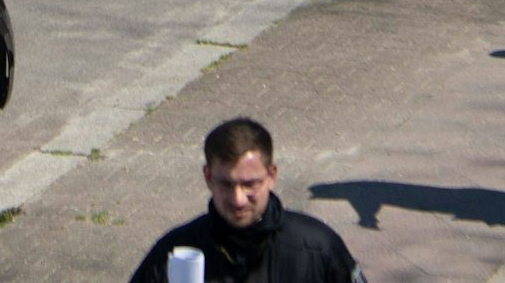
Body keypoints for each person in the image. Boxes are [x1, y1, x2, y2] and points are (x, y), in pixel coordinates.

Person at [129, 116, 367, 283]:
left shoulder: (317, 250)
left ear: (271, 176)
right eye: (226, 184)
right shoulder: (174, 254)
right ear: (208, 177)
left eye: (249, 184)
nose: (238, 199)